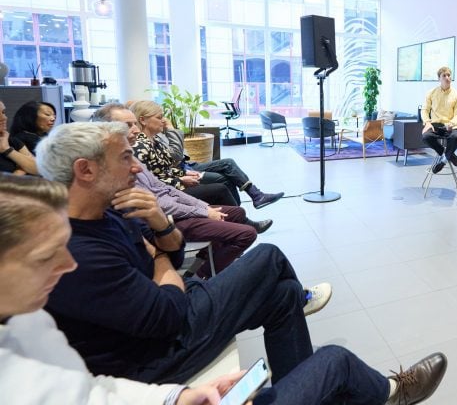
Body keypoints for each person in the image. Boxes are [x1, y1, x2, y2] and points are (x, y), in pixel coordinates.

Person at [0, 173, 450, 405]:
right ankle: (389, 396)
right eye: (45, 256)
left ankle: (298, 332)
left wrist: (174, 401)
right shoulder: (82, 265)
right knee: (331, 354)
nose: (66, 265)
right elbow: (167, 306)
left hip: (158, 345)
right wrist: (159, 259)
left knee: (277, 298)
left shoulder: (32, 319)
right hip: (162, 343)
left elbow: (87, 395)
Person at [36, 122, 330, 385]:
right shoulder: (75, 252)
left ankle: (303, 390)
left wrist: (161, 226)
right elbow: (168, 312)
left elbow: (174, 257)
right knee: (269, 256)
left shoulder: (111, 213)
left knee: (284, 294)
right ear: (85, 170)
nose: (137, 167)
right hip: (158, 356)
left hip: (173, 312)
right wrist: (159, 260)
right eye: (126, 158)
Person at [93, 103, 270, 277]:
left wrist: (203, 207)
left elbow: (164, 177)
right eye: (128, 125)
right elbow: (158, 199)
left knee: (236, 209)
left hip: (174, 192)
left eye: (134, 124)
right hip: (168, 216)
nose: (136, 130)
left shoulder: (134, 152)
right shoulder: (124, 160)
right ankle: (200, 276)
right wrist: (200, 209)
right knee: (243, 227)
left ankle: (207, 260)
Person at [131, 100, 283, 209]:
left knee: (227, 167)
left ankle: (244, 210)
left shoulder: (154, 139)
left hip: (182, 172)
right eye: (159, 117)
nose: (163, 121)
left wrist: (182, 173)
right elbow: (167, 165)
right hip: (175, 182)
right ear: (143, 120)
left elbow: (167, 165)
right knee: (223, 181)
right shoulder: (141, 145)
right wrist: (171, 129)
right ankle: (241, 215)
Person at [421, 66, 457, 174]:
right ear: (439, 78)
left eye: (449, 75)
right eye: (444, 75)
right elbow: (425, 110)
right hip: (436, 125)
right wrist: (427, 122)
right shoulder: (431, 93)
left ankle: (443, 161)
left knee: (456, 137)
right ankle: (448, 155)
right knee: (426, 136)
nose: (447, 78)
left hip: (452, 125)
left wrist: (452, 123)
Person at [0, 100, 39, 175]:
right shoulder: (21, 136)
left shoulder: (12, 141)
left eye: (3, 112)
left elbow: (37, 168)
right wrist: (21, 169)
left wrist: (6, 149)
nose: (4, 117)